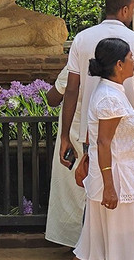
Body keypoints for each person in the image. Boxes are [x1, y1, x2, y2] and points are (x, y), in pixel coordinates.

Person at [60, 0, 134, 260]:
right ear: (126, 9)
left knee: (99, 208)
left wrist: (65, 136)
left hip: (106, 135)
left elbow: (71, 91)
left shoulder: (82, 39)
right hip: (114, 145)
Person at [74, 37, 134, 260]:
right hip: (118, 184)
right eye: (130, 57)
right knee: (121, 246)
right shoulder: (109, 97)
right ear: (119, 65)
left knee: (103, 245)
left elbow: (114, 131)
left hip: (123, 180)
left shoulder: (113, 92)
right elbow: (103, 142)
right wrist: (109, 187)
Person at [45, 66, 86, 248]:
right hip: (96, 131)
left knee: (75, 187)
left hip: (74, 131)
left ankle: (80, 241)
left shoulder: (78, 58)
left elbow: (52, 98)